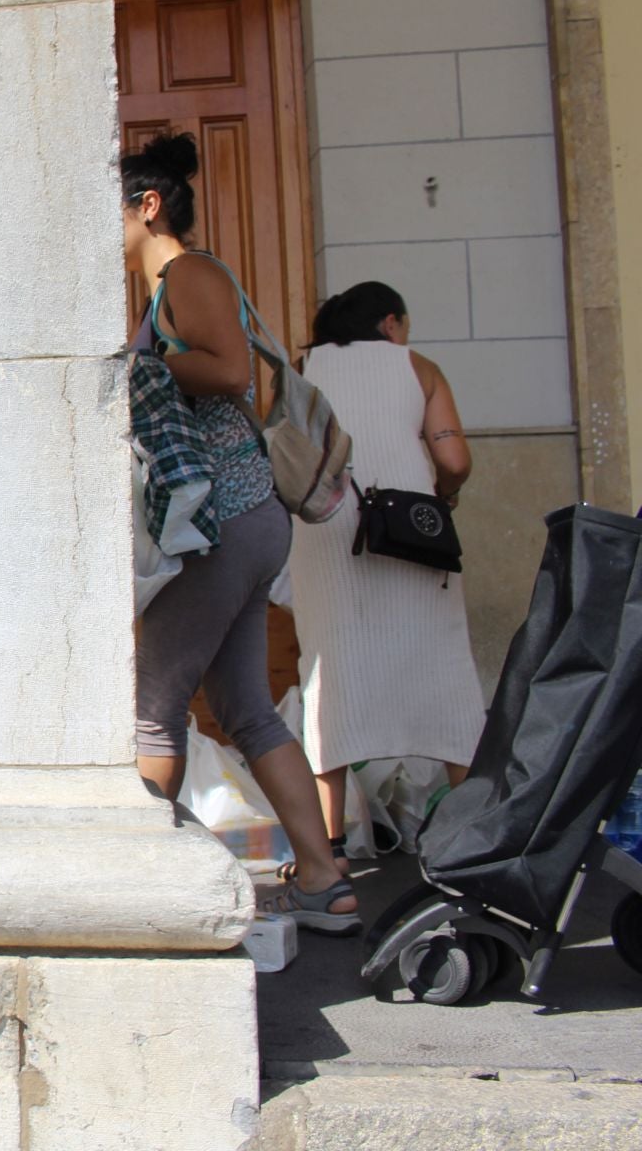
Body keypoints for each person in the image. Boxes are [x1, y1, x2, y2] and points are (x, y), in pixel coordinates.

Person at [121, 132, 357, 932]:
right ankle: (325, 879)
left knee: (153, 710)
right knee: (247, 709)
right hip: (248, 522)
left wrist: (127, 368)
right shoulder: (172, 287)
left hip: (221, 524)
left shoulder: (188, 273)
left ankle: (146, 894)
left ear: (147, 207)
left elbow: (229, 370)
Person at [287, 282, 483, 858]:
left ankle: (330, 850)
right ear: (391, 323)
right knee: (442, 670)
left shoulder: (304, 369)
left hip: (325, 536)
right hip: (411, 536)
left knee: (332, 679)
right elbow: (453, 460)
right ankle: (472, 834)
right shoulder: (418, 367)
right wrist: (443, 495)